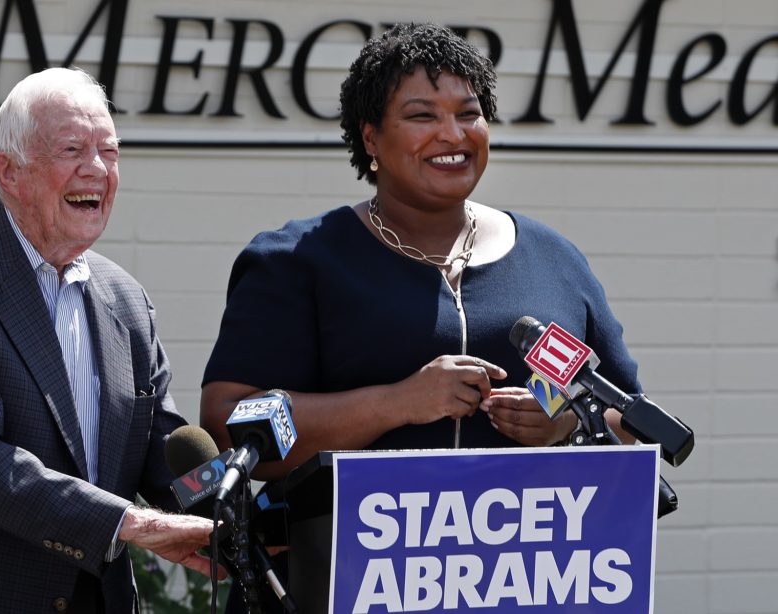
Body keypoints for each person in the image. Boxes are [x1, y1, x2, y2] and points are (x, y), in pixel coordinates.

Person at [202, 20, 642, 598]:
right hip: (342, 587)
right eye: (421, 116)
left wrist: (562, 424)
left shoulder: (553, 259)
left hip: (523, 587)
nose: (451, 133)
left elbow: (626, 416)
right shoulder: (299, 261)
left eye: (468, 112)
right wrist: (397, 402)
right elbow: (229, 422)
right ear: (370, 138)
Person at [0, 67, 219, 614]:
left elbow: (163, 448)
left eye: (110, 151)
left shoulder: (126, 299)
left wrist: (239, 511)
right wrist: (129, 523)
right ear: (9, 171)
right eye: (72, 148)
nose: (96, 169)